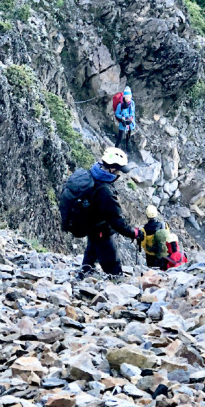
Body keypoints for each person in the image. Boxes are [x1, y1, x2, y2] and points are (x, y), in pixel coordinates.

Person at [76, 147, 144, 279]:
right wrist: (134, 233)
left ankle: (83, 275)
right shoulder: (105, 192)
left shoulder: (91, 175)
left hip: (90, 226)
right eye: (119, 170)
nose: (120, 174)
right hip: (102, 231)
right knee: (113, 265)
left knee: (91, 251)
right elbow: (117, 222)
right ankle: (116, 284)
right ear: (112, 169)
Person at [141, 205, 169, 270]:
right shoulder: (164, 225)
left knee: (152, 273)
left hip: (150, 255)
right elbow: (168, 237)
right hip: (163, 253)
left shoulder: (145, 229)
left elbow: (142, 244)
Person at [114, 86, 136, 152]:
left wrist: (131, 119)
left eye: (129, 97)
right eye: (126, 97)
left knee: (128, 135)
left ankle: (127, 146)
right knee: (120, 137)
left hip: (129, 122)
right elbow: (117, 113)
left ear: (131, 96)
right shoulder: (120, 105)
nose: (127, 98)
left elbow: (133, 112)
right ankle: (116, 148)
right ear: (124, 97)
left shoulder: (132, 103)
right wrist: (122, 118)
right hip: (122, 122)